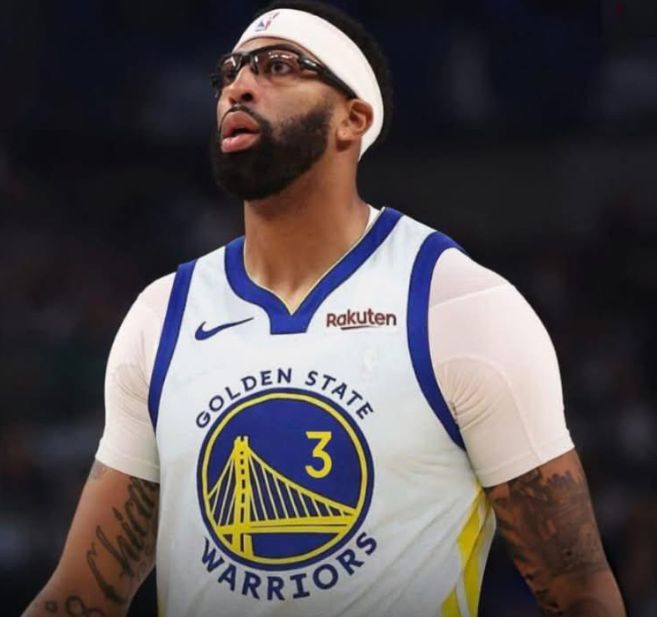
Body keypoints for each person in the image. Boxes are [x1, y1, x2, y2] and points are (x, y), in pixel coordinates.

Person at [23, 2, 626, 616]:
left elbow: (579, 590)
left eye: (279, 66)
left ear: (352, 120)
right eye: (229, 71)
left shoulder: (460, 306)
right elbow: (81, 595)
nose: (239, 86)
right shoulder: (162, 316)